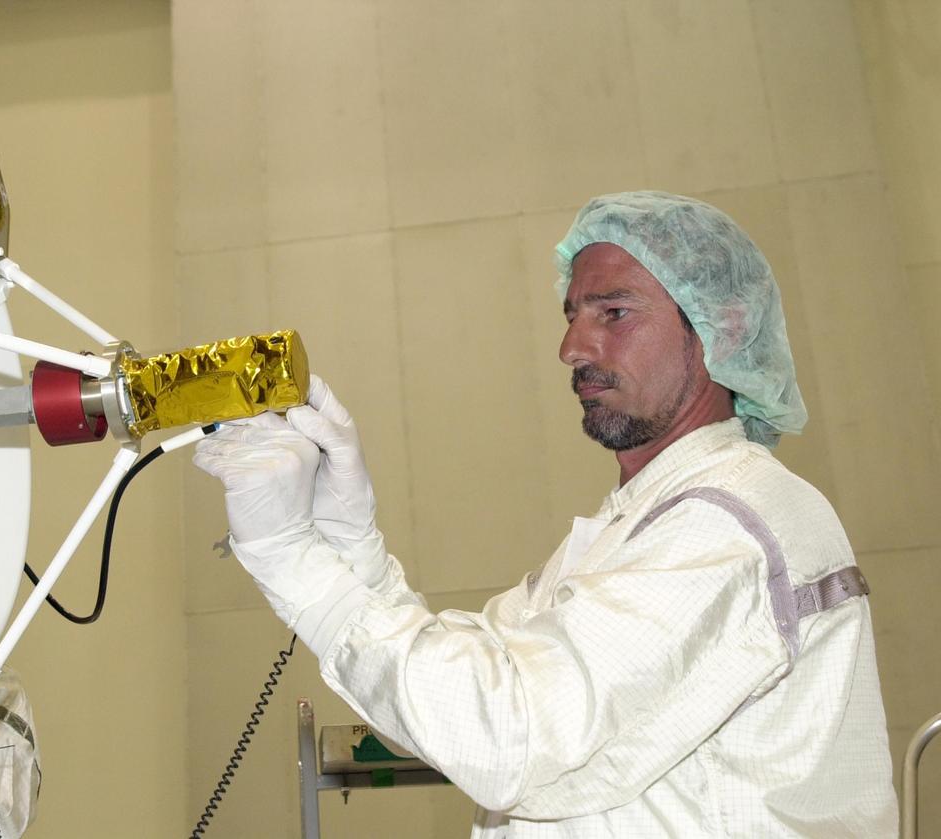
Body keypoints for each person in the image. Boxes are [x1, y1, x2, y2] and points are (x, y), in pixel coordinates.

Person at [194, 191, 897, 837]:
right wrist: (348, 543)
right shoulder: (638, 528)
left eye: (613, 313)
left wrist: (294, 556)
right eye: (571, 316)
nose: (573, 348)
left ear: (724, 326)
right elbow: (465, 702)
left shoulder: (731, 523)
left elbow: (503, 737)